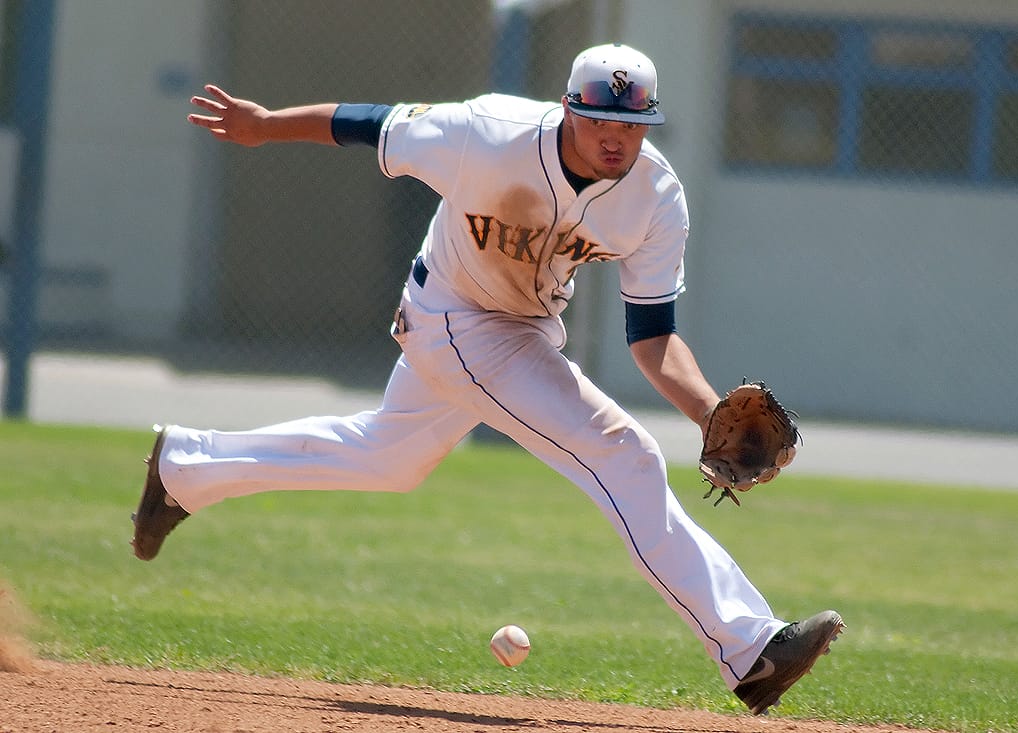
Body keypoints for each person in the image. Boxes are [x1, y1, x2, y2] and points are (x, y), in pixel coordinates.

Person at [133, 43, 842, 715]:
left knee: (386, 458)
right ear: (569, 109)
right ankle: (751, 648)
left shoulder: (655, 196)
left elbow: (653, 335)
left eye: (632, 123)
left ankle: (184, 467)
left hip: (523, 328)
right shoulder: (487, 130)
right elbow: (368, 123)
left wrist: (706, 413)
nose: (616, 137)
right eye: (601, 119)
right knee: (622, 453)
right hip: (453, 314)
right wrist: (264, 127)